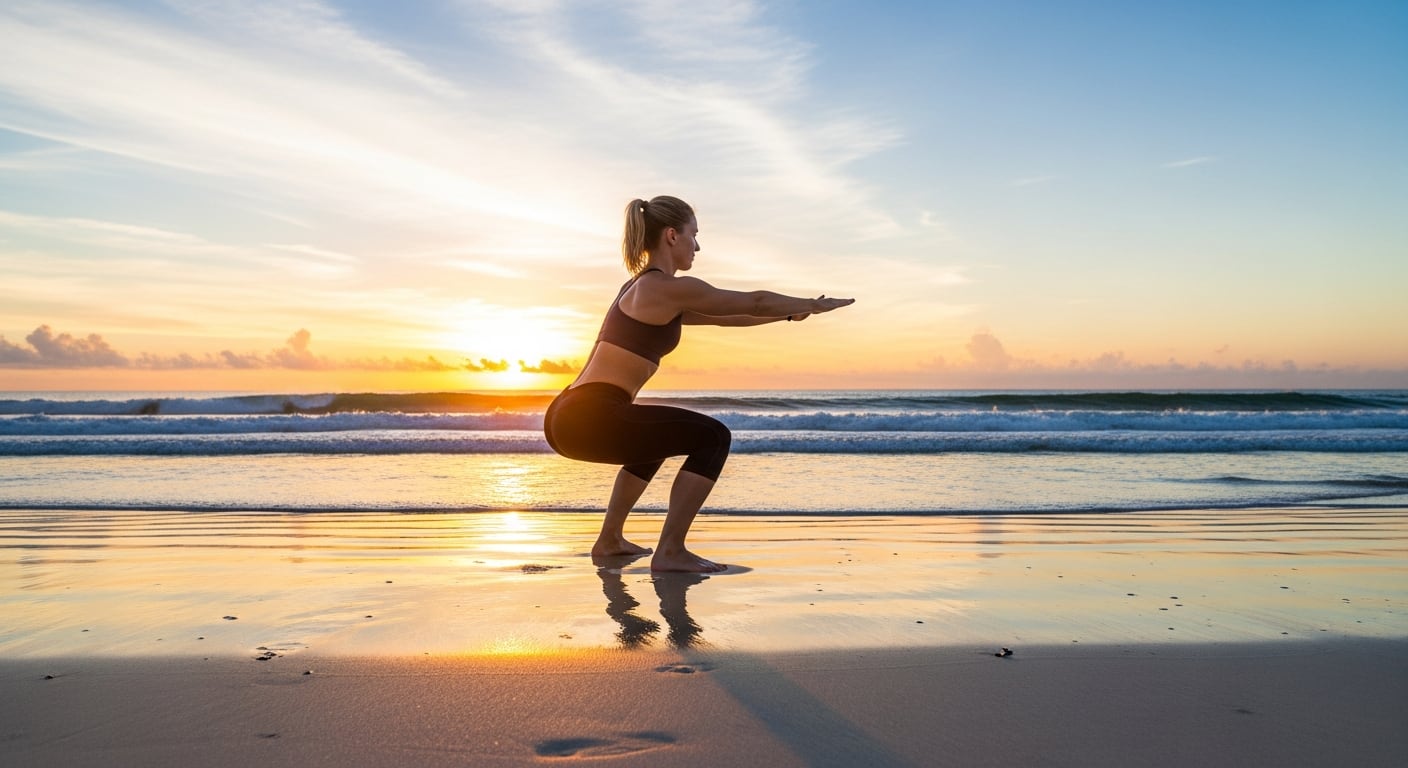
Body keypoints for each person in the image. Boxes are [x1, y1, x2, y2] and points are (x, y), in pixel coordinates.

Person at [543, 196, 854, 573]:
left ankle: (610, 540)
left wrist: (789, 314)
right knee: (713, 436)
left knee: (655, 439)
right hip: (590, 413)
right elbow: (753, 300)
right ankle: (671, 551)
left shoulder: (645, 289)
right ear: (672, 236)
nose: (698, 246)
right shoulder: (664, 288)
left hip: (569, 415)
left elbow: (730, 315)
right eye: (695, 235)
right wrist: (812, 303)